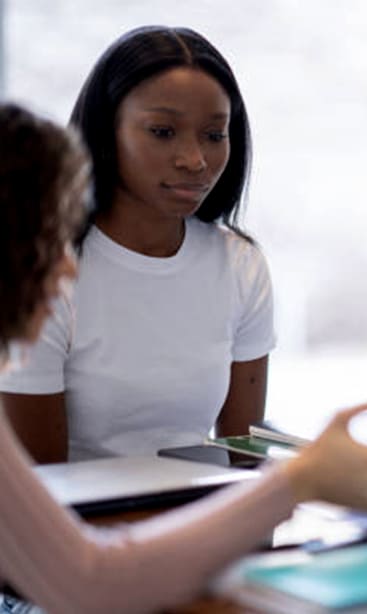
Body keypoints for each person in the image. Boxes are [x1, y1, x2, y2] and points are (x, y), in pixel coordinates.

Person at [0, 101, 367, 613]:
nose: (67, 265)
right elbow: (92, 583)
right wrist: (299, 479)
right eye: (46, 237)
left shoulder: (237, 262)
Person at [0, 26, 278, 462]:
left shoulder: (240, 264)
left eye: (214, 134)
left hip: (200, 517)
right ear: (106, 130)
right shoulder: (45, 272)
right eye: (163, 132)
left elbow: (243, 456)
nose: (195, 160)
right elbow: (46, 488)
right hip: (80, 524)